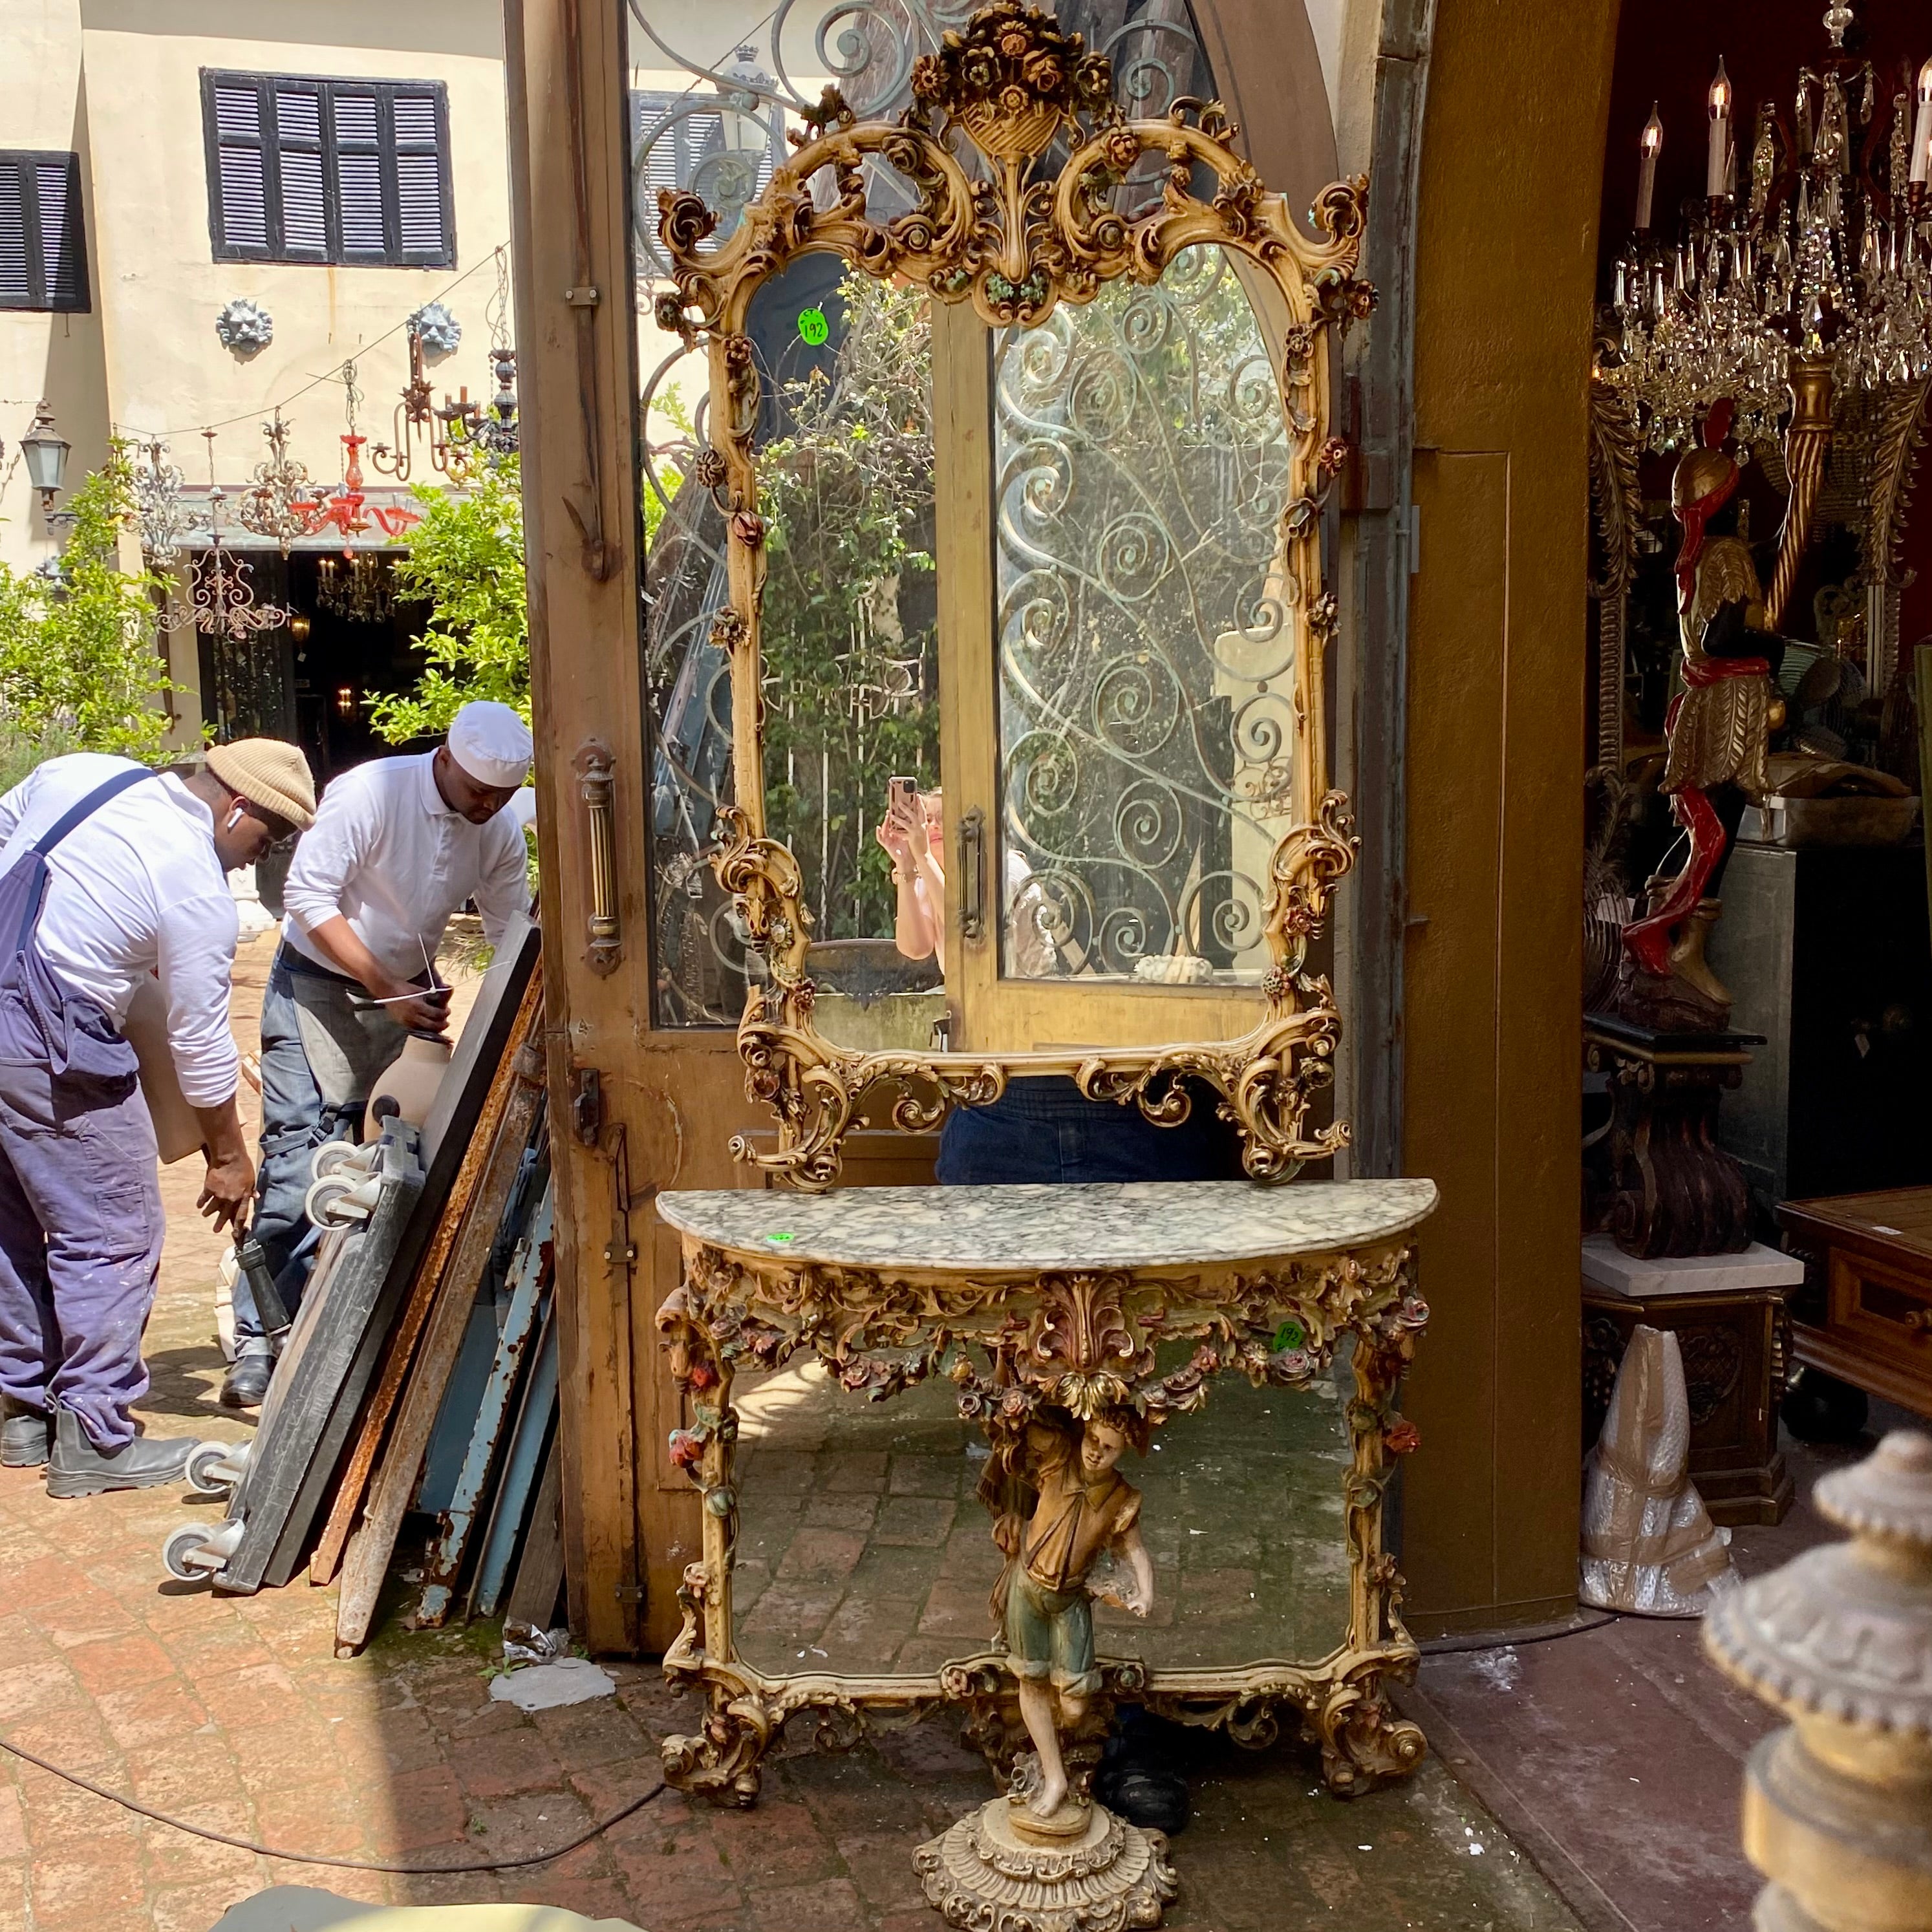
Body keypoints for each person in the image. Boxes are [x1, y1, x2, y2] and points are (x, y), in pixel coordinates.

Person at [0, 740, 316, 1494]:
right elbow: (201, 1041)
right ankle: (95, 1439)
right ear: (236, 807)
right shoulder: (195, 890)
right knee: (112, 1231)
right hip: (50, 1035)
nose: (249, 864)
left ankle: (24, 1414)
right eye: (260, 844)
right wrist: (230, 1157)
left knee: (13, 1220)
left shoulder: (87, 774)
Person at [224, 701, 533, 1407]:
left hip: (402, 992)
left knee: (383, 1163)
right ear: (446, 760)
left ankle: (346, 1327)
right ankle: (259, 1338)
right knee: (303, 1157)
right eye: (478, 791)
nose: (487, 806)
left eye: (502, 796)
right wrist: (386, 987)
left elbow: (507, 932)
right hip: (317, 986)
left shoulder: (499, 829)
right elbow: (305, 894)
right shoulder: (371, 791)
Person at [989, 1411, 1153, 1820]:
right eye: (1093, 1440)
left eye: (1109, 1447)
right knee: (1030, 1678)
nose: (1096, 1452)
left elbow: (1133, 1549)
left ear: (1123, 1451)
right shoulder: (1059, 1459)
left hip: (1070, 1602)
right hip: (1028, 1588)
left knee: (1076, 1705)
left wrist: (1145, 1592)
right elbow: (1021, 1423)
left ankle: (1055, 1752)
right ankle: (1055, 1774)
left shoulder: (1121, 1498)